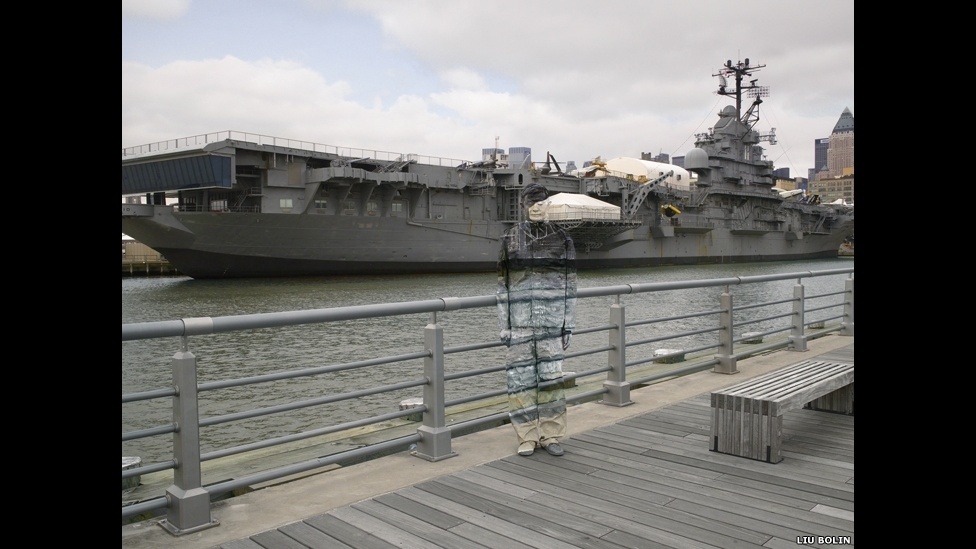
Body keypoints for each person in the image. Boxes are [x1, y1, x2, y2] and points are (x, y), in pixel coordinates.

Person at [496, 183, 577, 457]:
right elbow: (502, 285)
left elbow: (570, 284)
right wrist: (504, 324)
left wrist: (569, 323)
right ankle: (526, 436)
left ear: (548, 204)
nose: (536, 207)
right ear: (523, 205)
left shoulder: (563, 239)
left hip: (552, 324)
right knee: (519, 382)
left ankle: (551, 434)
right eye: (531, 202)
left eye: (541, 202)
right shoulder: (509, 239)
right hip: (519, 324)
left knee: (552, 381)